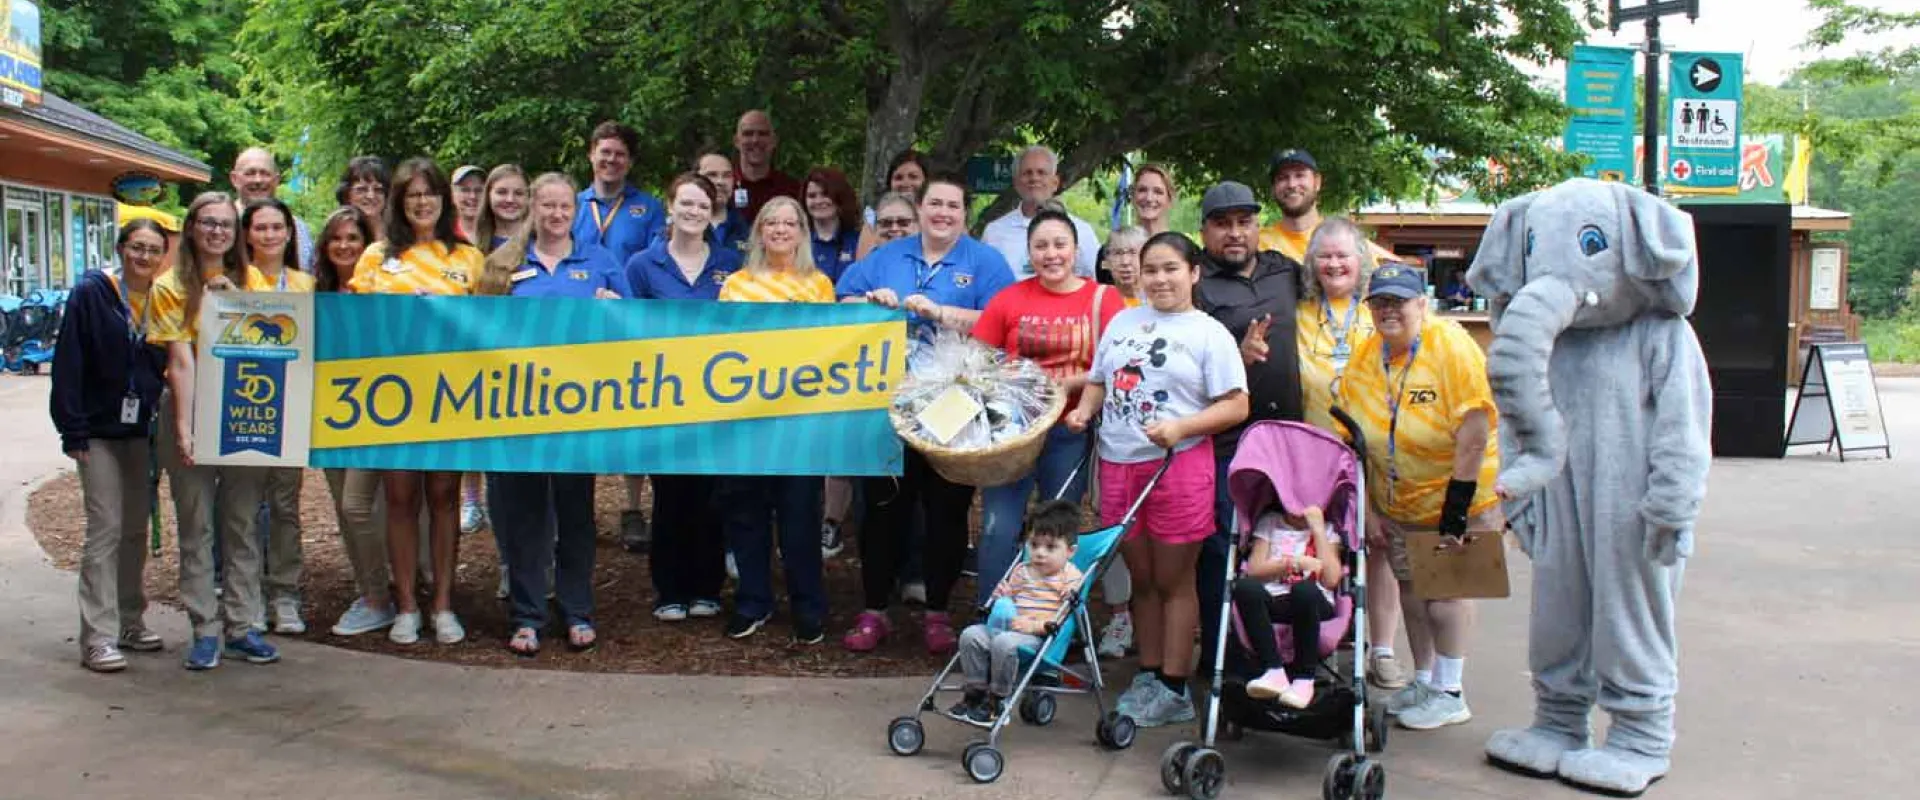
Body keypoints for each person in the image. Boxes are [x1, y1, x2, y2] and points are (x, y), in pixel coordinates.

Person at [1064, 231, 1249, 727]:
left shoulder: (1209, 333)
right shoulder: (1123, 321)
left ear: (1194, 273)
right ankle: (1149, 673)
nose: (1160, 279)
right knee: (1141, 578)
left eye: (1171, 269)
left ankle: (1174, 685)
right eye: (1151, 270)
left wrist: (1182, 428)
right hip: (1118, 463)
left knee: (1174, 580)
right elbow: (1099, 380)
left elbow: (1236, 404)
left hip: (1178, 465)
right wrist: (1084, 411)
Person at [836, 174, 1015, 655]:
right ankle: (874, 610)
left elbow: (1002, 322)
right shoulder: (888, 257)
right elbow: (841, 301)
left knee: (947, 512)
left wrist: (941, 313)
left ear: (964, 213)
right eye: (935, 203)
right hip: (886, 405)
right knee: (881, 510)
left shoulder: (985, 262)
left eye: (953, 206)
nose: (943, 213)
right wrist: (870, 303)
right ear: (920, 208)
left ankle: (937, 613)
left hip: (955, 406)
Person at [1336, 262, 1501, 732]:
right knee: (1413, 593)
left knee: (1446, 595)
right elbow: (1353, 438)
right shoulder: (1367, 356)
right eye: (1380, 303)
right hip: (1401, 502)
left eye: (1399, 302)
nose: (1388, 311)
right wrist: (1369, 508)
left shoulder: (1451, 345)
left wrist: (1456, 510)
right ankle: (1425, 681)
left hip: (1459, 497)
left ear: (1422, 304)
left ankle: (1451, 692)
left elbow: (1475, 429)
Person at [472, 172, 628, 656]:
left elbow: (634, 329)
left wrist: (616, 309)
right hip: (517, 411)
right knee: (525, 518)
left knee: (576, 514)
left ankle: (578, 611)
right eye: (548, 205)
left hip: (580, 410)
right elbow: (475, 329)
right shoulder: (502, 263)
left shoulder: (600, 262)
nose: (557, 214)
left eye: (565, 206)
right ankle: (527, 616)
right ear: (533, 209)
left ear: (575, 211)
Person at [350, 157, 485, 645]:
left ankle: (444, 604)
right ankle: (406, 606)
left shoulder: (468, 258)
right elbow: (356, 323)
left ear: (443, 200)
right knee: (400, 498)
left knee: (445, 497)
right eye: (412, 195)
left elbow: (487, 328)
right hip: (394, 395)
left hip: (451, 394)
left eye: (429, 193)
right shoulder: (376, 257)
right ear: (399, 202)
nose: (422, 202)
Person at [970, 209, 1122, 611]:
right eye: (1041, 246)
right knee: (998, 528)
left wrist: (1069, 386)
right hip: (1013, 433)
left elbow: (1117, 365)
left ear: (1076, 249)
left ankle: (1049, 621)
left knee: (1056, 532)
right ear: (1029, 252)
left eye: (1059, 245)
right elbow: (976, 361)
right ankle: (993, 614)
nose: (1051, 254)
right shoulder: (1009, 299)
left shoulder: (1103, 299)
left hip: (1070, 430)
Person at [147, 192, 274, 670]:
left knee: (242, 523)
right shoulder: (169, 286)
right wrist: (184, 429)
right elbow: (180, 361)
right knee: (196, 524)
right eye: (208, 222)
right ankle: (204, 629)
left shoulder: (254, 279)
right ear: (192, 227)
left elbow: (270, 345)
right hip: (188, 403)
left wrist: (233, 300)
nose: (217, 231)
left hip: (244, 406)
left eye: (225, 224)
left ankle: (242, 625)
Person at [1192, 180, 1306, 683]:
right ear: (1205, 232)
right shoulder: (1196, 284)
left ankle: (1291, 652)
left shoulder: (1286, 270)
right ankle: (1224, 657)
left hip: (1289, 440)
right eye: (1222, 224)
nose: (1235, 233)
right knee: (1222, 547)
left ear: (1259, 226)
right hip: (1226, 442)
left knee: (1286, 545)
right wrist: (1235, 358)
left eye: (1244, 222)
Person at [715, 196, 835, 643]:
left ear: (802, 232)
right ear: (759, 231)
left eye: (790, 223)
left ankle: (808, 606)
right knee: (746, 514)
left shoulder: (818, 285)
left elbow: (832, 346)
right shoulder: (736, 284)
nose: (781, 230)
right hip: (745, 419)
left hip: (799, 421)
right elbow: (717, 345)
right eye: (772, 222)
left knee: (799, 516)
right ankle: (753, 601)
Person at [53, 220, 171, 672]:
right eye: (137, 247)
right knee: (105, 527)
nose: (144, 257)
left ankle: (130, 621)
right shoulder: (92, 294)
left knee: (135, 529)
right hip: (97, 431)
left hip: (140, 430)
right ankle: (97, 637)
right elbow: (69, 361)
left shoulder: (162, 298)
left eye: (153, 250)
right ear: (121, 249)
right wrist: (72, 429)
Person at [1294, 216, 1406, 690]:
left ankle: (1382, 649)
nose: (1335, 264)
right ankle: (1323, 643)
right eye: (1325, 256)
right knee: (1320, 545)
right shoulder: (1298, 313)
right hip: (1315, 450)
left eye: (1343, 255)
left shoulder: (1378, 312)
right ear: (1312, 263)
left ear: (1361, 261)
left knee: (1378, 548)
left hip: (1374, 449)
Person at [626, 173, 740, 623]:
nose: (693, 212)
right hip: (663, 399)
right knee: (670, 493)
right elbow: (627, 328)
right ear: (670, 206)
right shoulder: (642, 265)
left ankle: (707, 588)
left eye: (702, 206)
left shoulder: (730, 264)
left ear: (712, 213)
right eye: (686, 203)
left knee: (711, 494)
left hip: (718, 399)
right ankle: (669, 589)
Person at [570, 121, 666, 554]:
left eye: (620, 154)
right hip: (580, 327)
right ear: (591, 154)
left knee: (633, 416)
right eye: (604, 152)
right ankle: (580, 509)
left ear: (630, 161)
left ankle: (631, 508)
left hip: (630, 322)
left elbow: (655, 260)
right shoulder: (571, 204)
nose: (611, 160)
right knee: (579, 411)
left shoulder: (648, 208)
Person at [309, 206, 397, 637]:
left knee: (357, 505)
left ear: (367, 245)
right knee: (345, 510)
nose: (344, 246)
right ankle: (368, 591)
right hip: (327, 414)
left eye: (353, 238)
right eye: (336, 239)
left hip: (376, 413)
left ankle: (381, 597)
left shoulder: (381, 289)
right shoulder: (313, 293)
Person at [822, 190, 919, 573]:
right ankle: (876, 579)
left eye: (903, 222)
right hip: (871, 394)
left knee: (919, 490)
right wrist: (869, 303)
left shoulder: (930, 263)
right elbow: (839, 307)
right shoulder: (865, 267)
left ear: (917, 225)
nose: (895, 229)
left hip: (926, 393)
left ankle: (913, 572)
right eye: (887, 222)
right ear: (875, 228)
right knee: (873, 490)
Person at [240, 198, 319, 638]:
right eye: (261, 228)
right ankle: (248, 594)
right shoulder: (233, 282)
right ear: (247, 234)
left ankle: (285, 593)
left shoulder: (306, 284)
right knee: (245, 505)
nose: (269, 235)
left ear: (289, 234)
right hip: (245, 405)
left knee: (285, 504)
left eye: (277, 228)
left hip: (291, 405)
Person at [950, 500, 1086, 723]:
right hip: (1006, 628)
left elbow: (1065, 616)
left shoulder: (1070, 577)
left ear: (1070, 551)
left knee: (1004, 643)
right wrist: (1002, 595)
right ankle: (975, 691)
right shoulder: (1022, 570)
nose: (1039, 553)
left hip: (1038, 638)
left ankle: (998, 699)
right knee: (970, 635)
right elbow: (1008, 600)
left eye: (1050, 547)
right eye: (1034, 545)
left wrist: (1035, 626)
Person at [1231, 502, 1343, 707]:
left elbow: (1331, 579)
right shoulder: (1270, 522)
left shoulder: (1327, 529)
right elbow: (1254, 570)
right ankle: (1273, 670)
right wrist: (1293, 563)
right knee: (1245, 587)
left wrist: (1318, 530)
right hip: (1275, 596)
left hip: (1312, 602)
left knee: (1303, 590)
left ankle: (1304, 678)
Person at [1256, 149, 1399, 266]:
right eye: (1282, 178)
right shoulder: (1257, 244)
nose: (1292, 184)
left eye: (1300, 175)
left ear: (1317, 182)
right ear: (1273, 188)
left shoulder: (1348, 241)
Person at [981, 146, 1100, 279]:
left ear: (1055, 182)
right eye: (1027, 173)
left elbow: (1097, 281)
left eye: (1041, 172)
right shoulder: (994, 232)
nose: (1034, 178)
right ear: (1016, 183)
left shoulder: (1082, 231)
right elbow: (984, 282)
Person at [230, 147, 314, 268]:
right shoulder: (222, 227)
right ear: (234, 179)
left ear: (276, 180)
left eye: (265, 173)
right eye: (250, 173)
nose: (258, 180)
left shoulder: (299, 229)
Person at [732, 109, 803, 226]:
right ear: (736, 141)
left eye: (762, 134)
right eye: (748, 134)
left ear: (774, 141)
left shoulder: (792, 190)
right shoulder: (723, 188)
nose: (755, 140)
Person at [856, 149, 931, 258]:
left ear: (927, 181)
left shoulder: (939, 216)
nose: (905, 183)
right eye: (898, 178)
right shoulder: (874, 218)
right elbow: (863, 263)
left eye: (913, 177)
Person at [804, 167, 862, 283]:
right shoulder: (797, 242)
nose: (818, 201)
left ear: (840, 197)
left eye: (825, 194)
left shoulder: (859, 241)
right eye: (812, 196)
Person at [695, 153, 748, 252]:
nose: (720, 181)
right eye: (712, 175)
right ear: (694, 180)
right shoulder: (679, 228)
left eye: (727, 175)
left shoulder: (748, 229)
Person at [472, 164, 530, 254]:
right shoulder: (471, 249)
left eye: (519, 193)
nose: (510, 199)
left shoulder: (543, 243)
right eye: (502, 192)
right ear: (488, 195)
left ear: (528, 197)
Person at [336, 156, 392, 241]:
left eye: (378, 190)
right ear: (346, 195)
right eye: (362, 189)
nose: (371, 196)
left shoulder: (398, 235)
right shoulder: (335, 234)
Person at [1101, 225, 1147, 308]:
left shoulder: (1158, 301)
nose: (1125, 262)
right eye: (1118, 253)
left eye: (1132, 252)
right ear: (1107, 260)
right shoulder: (1098, 300)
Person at [1130, 163, 1177, 238]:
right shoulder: (1118, 244)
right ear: (1133, 196)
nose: (1149, 198)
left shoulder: (1180, 244)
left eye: (1158, 192)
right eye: (1142, 190)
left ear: (1170, 199)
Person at [451, 165, 486, 240]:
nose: (473, 196)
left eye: (478, 190)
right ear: (452, 194)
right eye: (465, 190)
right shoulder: (442, 234)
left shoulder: (500, 232)